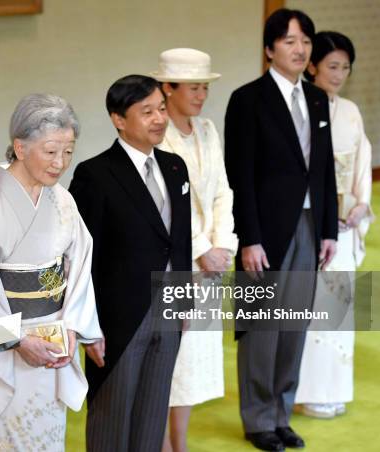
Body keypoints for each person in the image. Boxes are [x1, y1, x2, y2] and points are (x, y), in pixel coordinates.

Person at [224, 9, 338, 451]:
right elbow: (241, 176)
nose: (300, 48)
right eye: (290, 40)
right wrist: (248, 238)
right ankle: (257, 420)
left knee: (293, 327)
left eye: (305, 40)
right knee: (261, 328)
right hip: (264, 232)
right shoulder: (247, 99)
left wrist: (329, 230)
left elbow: (323, 170)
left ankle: (280, 414)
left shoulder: (316, 98)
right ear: (270, 48)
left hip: (310, 226)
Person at [0, 94, 102, 451]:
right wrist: (16, 340)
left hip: (53, 335)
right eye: (51, 151)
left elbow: (80, 264)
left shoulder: (62, 200)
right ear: (20, 147)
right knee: (4, 436)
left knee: (46, 436)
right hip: (9, 339)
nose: (61, 163)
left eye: (68, 152)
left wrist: (73, 326)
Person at [69, 75, 192, 452]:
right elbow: (81, 258)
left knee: (153, 410)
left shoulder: (175, 167)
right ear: (118, 119)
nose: (159, 119)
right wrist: (88, 325)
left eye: (160, 109)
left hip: (169, 306)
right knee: (112, 413)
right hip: (119, 317)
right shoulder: (95, 175)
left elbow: (181, 239)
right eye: (146, 112)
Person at [151, 48, 238, 452]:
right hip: (175, 260)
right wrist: (201, 248)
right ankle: (162, 442)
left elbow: (222, 189)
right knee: (170, 353)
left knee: (193, 360)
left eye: (205, 87)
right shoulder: (156, 133)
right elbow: (167, 204)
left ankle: (178, 442)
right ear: (167, 88)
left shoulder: (206, 129)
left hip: (210, 262)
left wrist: (222, 244)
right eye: (193, 87)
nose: (201, 95)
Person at [294, 31, 373, 419]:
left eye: (345, 67)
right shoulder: (302, 108)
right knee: (307, 307)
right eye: (332, 66)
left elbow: (362, 164)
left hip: (343, 224)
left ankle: (332, 388)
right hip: (309, 219)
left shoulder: (351, 112)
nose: (339, 74)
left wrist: (361, 205)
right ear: (312, 67)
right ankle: (300, 389)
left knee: (338, 308)